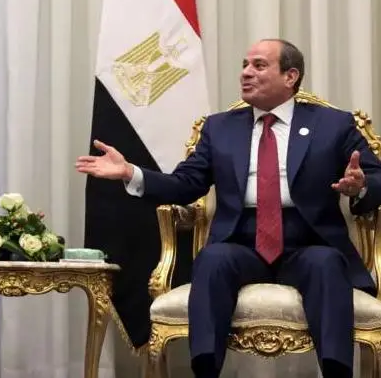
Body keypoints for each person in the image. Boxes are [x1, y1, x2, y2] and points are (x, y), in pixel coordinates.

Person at [76, 39, 381, 378]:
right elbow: (186, 184)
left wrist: (360, 186)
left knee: (326, 264)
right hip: (241, 243)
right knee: (212, 259)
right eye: (244, 65)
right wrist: (131, 173)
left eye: (259, 65)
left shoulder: (333, 124)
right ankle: (206, 370)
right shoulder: (220, 127)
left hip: (309, 242)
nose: (246, 73)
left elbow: (375, 178)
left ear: (291, 76)